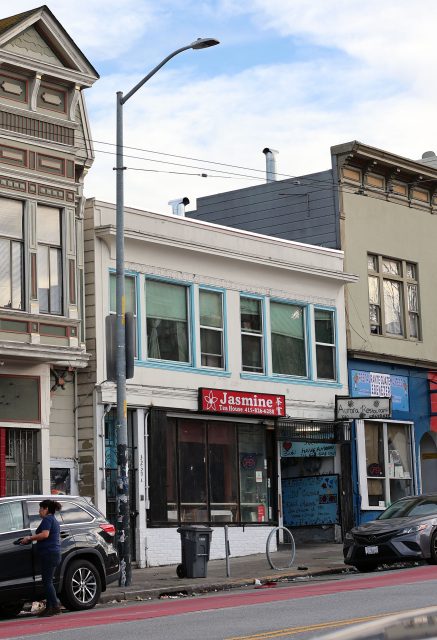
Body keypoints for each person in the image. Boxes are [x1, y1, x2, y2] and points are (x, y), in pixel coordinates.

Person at [21, 499, 62, 617]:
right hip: (52, 554)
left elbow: (45, 534)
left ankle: (55, 606)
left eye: (40, 509)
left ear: (46, 509)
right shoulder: (53, 519)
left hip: (49, 554)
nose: (39, 511)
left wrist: (29, 538)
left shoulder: (48, 519)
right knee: (48, 581)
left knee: (47, 582)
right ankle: (49, 608)